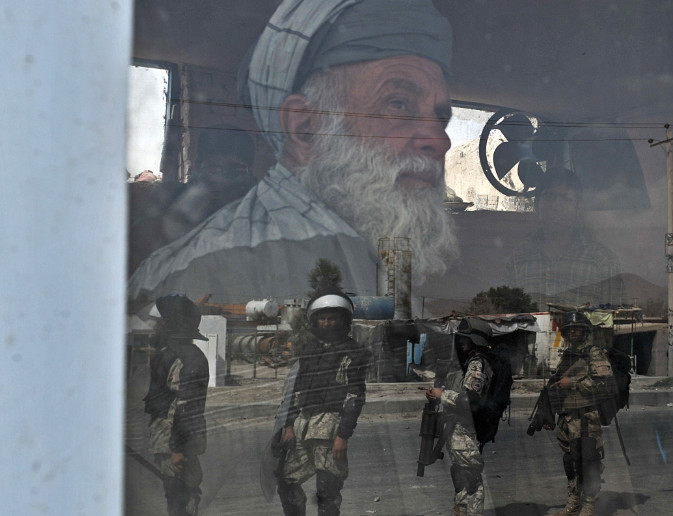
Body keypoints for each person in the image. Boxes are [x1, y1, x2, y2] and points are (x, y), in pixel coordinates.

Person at [128, 0, 458, 304]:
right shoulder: (197, 271)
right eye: (398, 104)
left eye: (441, 118)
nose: (440, 141)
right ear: (305, 128)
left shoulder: (375, 255)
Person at [269, 289, 371, 516]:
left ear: (343, 320)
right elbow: (295, 389)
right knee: (285, 479)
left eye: (332, 318)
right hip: (303, 424)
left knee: (327, 488)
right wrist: (289, 425)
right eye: (322, 318)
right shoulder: (310, 350)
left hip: (331, 427)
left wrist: (342, 437)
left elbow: (354, 398)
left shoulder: (354, 354)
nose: (326, 323)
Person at [129, 125, 256, 274]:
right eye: (213, 169)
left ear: (249, 173)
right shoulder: (172, 207)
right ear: (198, 167)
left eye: (234, 171)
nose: (222, 180)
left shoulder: (259, 213)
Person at [142, 294, 210, 516]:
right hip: (170, 438)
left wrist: (177, 448)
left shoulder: (188, 359)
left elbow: (186, 408)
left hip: (177, 439)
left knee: (182, 495)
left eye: (160, 323)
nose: (155, 328)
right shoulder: (169, 355)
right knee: (175, 493)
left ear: (172, 325)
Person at [505, 168, 627, 306]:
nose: (557, 205)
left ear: (578, 208)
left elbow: (619, 319)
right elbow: (506, 315)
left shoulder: (602, 261)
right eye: (549, 196)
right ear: (536, 205)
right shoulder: (518, 259)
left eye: (566, 198)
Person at [424, 318, 494, 516]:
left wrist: (441, 394)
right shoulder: (467, 363)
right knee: (458, 473)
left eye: (465, 339)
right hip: (456, 429)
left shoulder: (478, 364)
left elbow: (471, 400)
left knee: (471, 477)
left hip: (468, 431)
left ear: (475, 341)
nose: (461, 343)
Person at [541, 311, 615, 516]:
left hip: (586, 417)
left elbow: (603, 384)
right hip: (567, 416)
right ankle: (573, 506)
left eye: (577, 329)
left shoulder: (595, 354)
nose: (572, 332)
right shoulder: (569, 355)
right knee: (571, 462)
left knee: (589, 462)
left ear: (585, 331)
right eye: (569, 329)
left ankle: (588, 510)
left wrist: (571, 382)